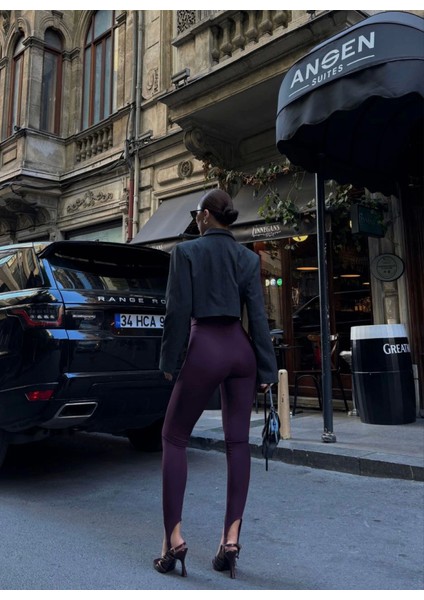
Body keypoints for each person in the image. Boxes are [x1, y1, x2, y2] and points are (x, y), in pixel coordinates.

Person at [154, 188, 278, 579]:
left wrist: (170, 362)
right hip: (240, 350)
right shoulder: (248, 257)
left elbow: (177, 311)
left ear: (206, 215)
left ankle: (173, 539)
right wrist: (267, 371)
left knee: (174, 437)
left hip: (204, 346)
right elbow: (258, 316)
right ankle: (231, 539)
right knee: (238, 443)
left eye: (196, 213)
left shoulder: (185, 252)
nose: (195, 219)